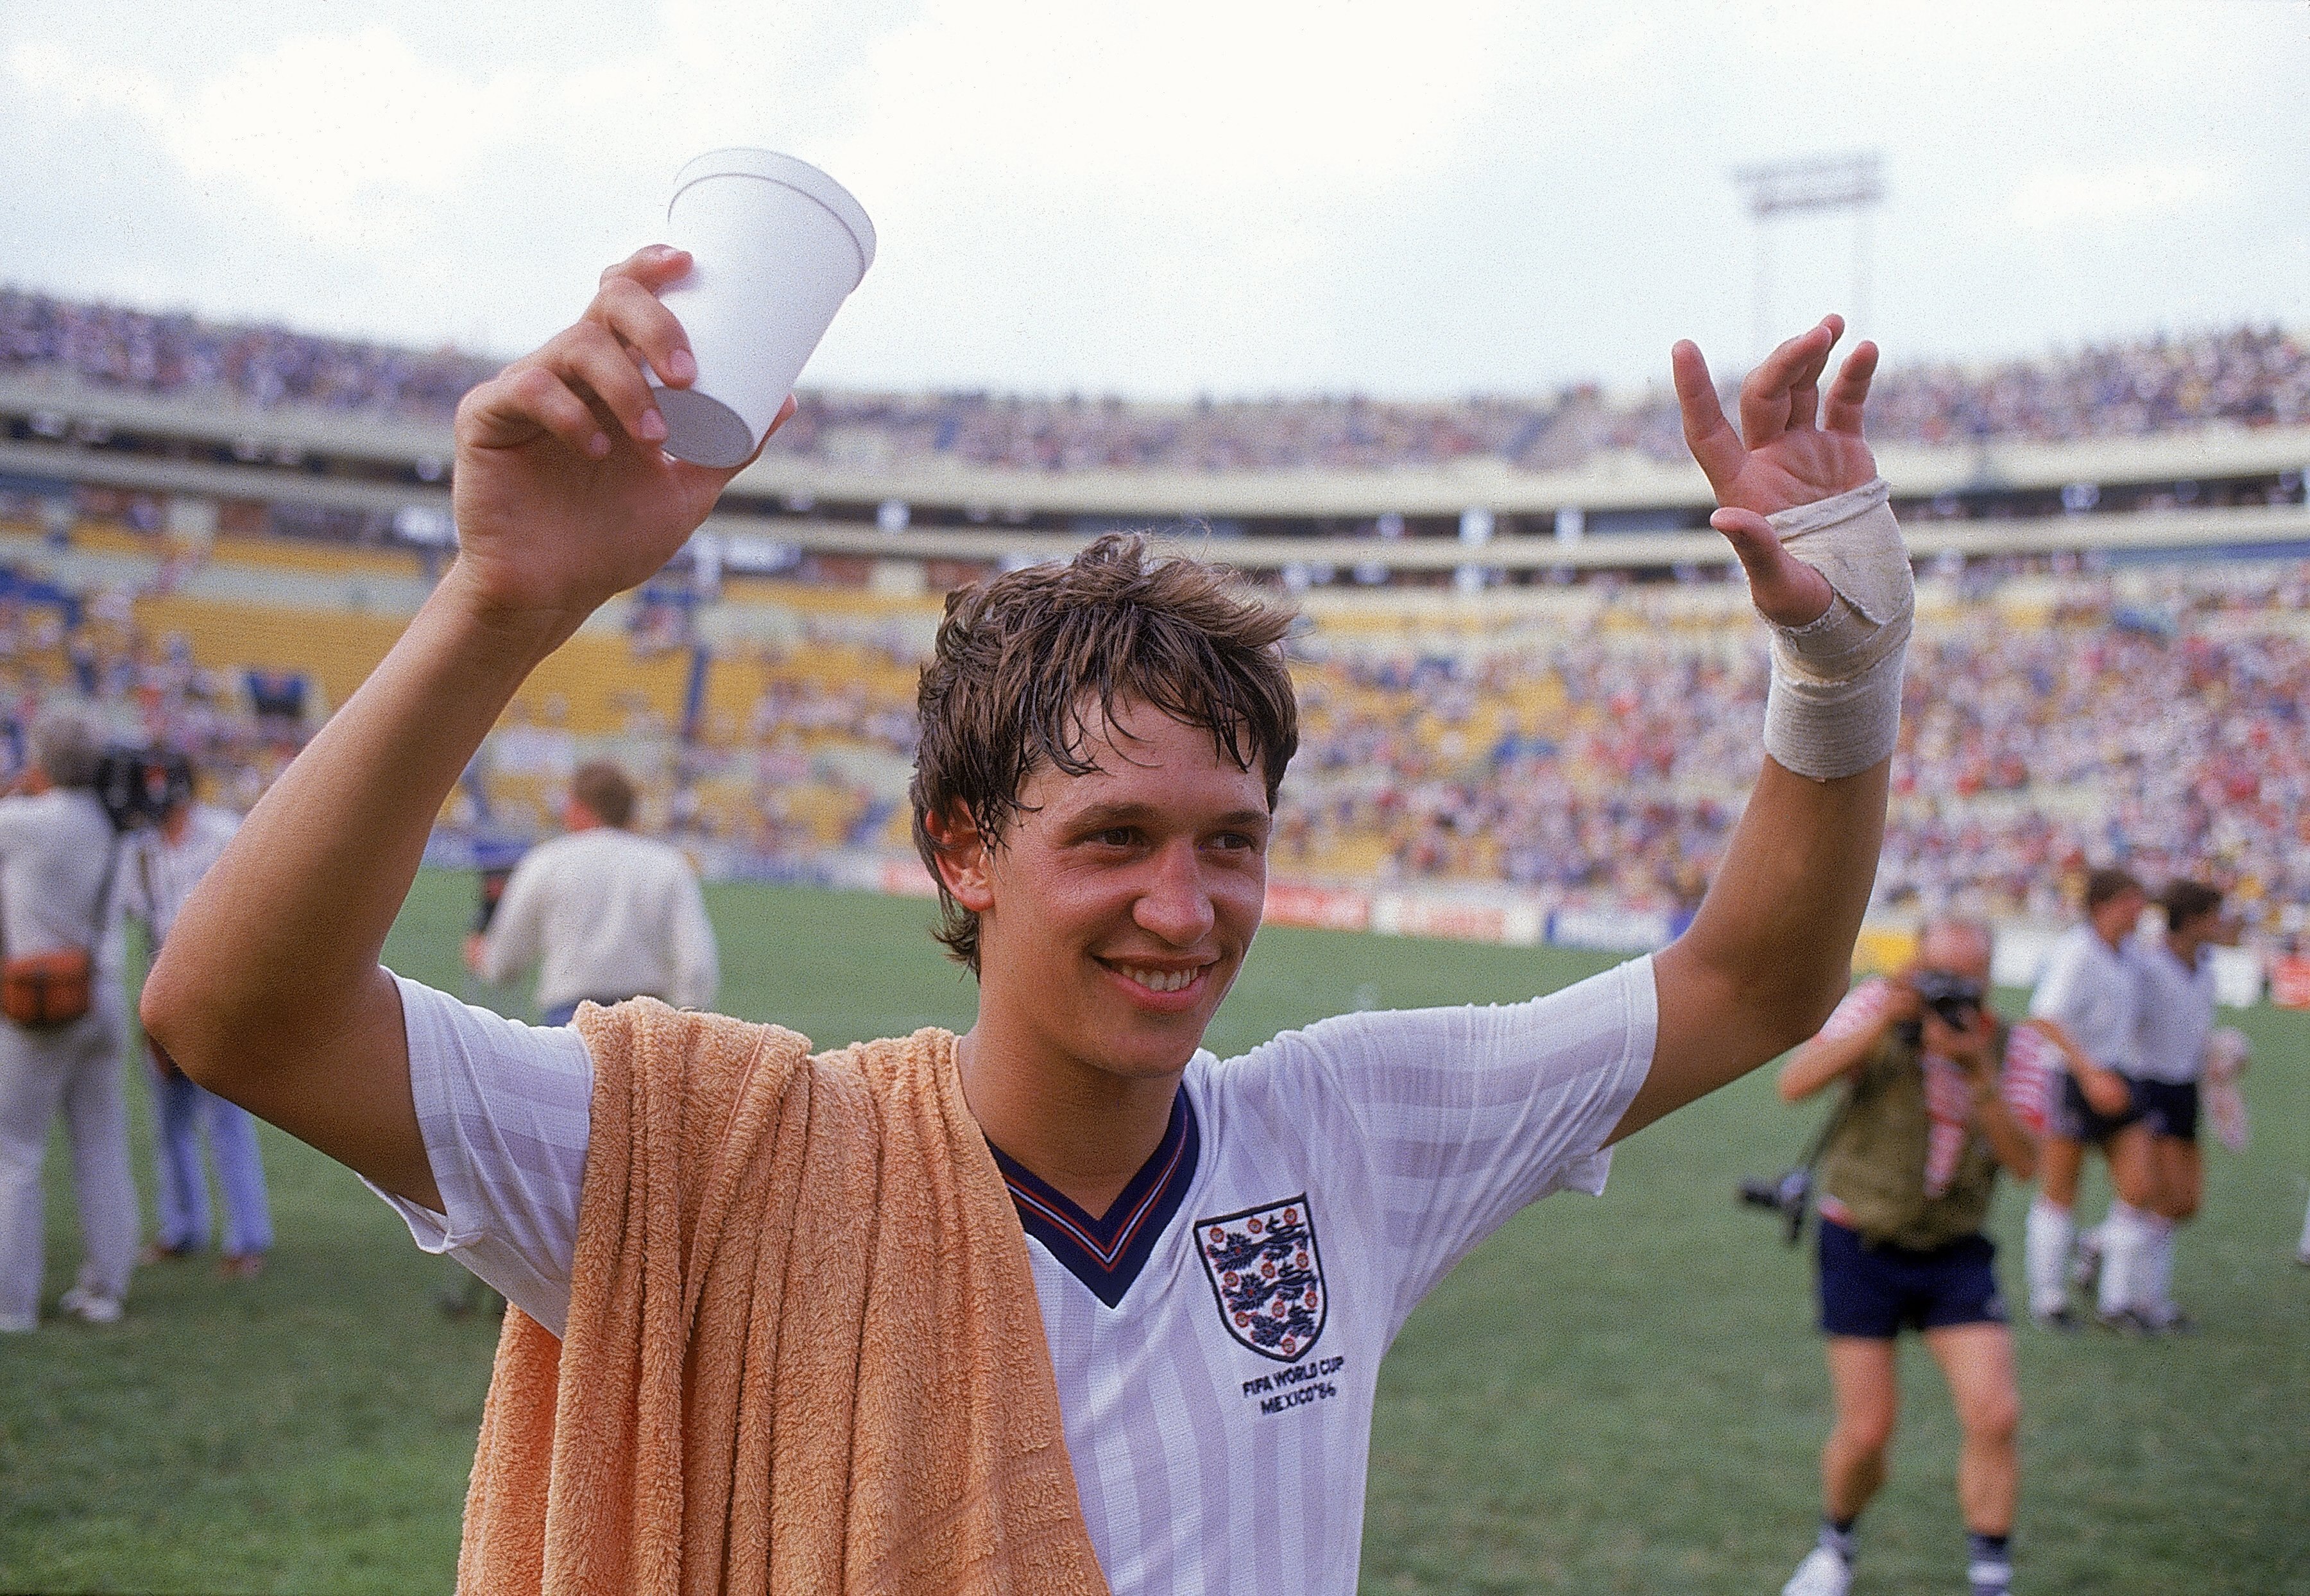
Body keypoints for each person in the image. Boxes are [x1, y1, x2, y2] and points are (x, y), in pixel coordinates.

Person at [142, 248, 1912, 1592]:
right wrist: (501, 601)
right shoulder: (725, 1166)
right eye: (1115, 833)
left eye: (1233, 838)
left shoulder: (1346, 1129)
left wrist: (1842, 669)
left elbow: (1754, 980)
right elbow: (241, 1013)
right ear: (961, 848)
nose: (1182, 904)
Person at [1772, 921, 2048, 1596]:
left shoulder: (2016, 1047)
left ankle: (1991, 1573)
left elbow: (2024, 1163)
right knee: (1867, 1432)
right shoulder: (1878, 1009)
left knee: (1996, 1413)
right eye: (1937, 976)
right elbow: (1795, 1083)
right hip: (1860, 1240)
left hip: (1954, 1248)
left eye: (1966, 982)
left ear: (1988, 980)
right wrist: (1883, 1023)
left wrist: (1977, 1072)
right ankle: (1835, 1543)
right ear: (1916, 967)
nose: (1949, 994)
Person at [0, 707, 137, 1329]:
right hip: (102, 994)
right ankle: (106, 1288)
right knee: (103, 1147)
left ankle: (13, 1303)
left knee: (16, 1155)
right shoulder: (111, 824)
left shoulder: (25, 822)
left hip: (40, 1000)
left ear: (42, 761)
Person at [122, 751, 273, 1279]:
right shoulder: (140, 849)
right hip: (164, 988)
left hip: (218, 989)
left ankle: (247, 1237)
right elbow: (140, 920)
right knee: (170, 1122)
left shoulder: (222, 833)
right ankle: (181, 1227)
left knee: (227, 1122)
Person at [461, 758, 717, 1025]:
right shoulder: (668, 865)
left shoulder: (547, 861)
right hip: (643, 1022)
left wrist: (483, 957)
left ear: (579, 808)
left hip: (570, 1019)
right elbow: (696, 966)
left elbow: (505, 961)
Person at [2080, 879, 2225, 1330]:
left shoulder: (2206, 967)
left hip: (2184, 1088)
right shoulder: (2146, 964)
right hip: (2150, 1084)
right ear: (2195, 919)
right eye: (2216, 914)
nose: (2224, 923)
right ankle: (2134, 1298)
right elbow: (2120, 1016)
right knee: (2146, 1192)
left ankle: (2102, 1245)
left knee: (2183, 1201)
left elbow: (2196, 1032)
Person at [2021, 867, 2160, 1330]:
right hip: (2072, 1077)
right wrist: (2089, 1072)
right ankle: (2049, 1298)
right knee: (2061, 1189)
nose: (2137, 909)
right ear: (2101, 905)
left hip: (2118, 1076)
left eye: (2140, 899)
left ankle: (2114, 1298)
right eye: (2128, 899)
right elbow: (2044, 1016)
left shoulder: (2132, 955)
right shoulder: (2077, 951)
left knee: (2139, 1186)